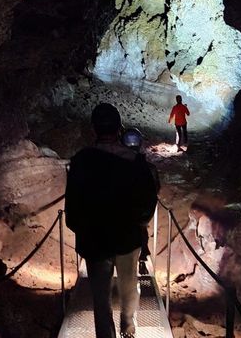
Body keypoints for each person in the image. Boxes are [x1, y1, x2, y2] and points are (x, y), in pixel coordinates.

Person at [65, 104, 158, 338]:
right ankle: (128, 328)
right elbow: (148, 202)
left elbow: (73, 206)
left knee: (100, 295)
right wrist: (140, 225)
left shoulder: (81, 161)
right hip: (127, 238)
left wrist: (81, 229)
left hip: (94, 241)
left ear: (94, 128)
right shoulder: (135, 162)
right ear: (119, 128)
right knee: (128, 288)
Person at [121, 127, 160, 275]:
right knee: (142, 231)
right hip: (143, 210)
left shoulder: (118, 165)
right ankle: (142, 260)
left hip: (124, 210)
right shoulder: (149, 167)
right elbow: (157, 187)